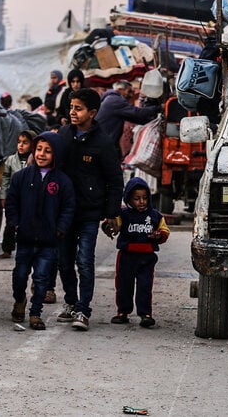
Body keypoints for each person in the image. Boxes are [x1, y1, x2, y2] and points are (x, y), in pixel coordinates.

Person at [55, 87, 124, 331]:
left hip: (88, 213)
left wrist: (112, 213)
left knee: (84, 261)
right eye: (71, 108)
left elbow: (115, 180)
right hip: (64, 213)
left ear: (92, 113)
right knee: (64, 261)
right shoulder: (63, 135)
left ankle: (83, 310)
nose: (73, 113)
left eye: (78, 109)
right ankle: (71, 303)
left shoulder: (104, 143)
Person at [4, 131, 75, 330]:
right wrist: (15, 224)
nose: (42, 154)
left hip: (48, 241)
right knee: (19, 275)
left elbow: (68, 207)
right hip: (25, 238)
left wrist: (60, 229)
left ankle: (36, 313)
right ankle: (19, 301)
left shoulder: (62, 181)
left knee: (42, 278)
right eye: (39, 150)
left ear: (56, 155)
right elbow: (11, 202)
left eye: (48, 151)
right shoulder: (21, 177)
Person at [106, 177, 169, 328]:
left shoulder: (155, 216)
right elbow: (112, 224)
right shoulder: (123, 214)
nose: (142, 202)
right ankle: (123, 312)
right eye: (137, 198)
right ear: (128, 199)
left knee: (145, 287)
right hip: (127, 256)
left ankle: (145, 314)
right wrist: (110, 228)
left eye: (145, 198)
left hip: (147, 258)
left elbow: (164, 231)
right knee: (123, 285)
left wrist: (159, 235)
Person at [0, 129, 37, 259]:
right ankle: (7, 249)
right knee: (10, 224)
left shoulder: (36, 160)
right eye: (19, 142)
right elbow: (5, 179)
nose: (21, 145)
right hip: (14, 197)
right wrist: (3, 196)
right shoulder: (10, 160)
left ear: (32, 145)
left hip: (30, 197)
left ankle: (27, 248)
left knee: (28, 224)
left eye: (25, 142)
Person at [96, 80, 162, 153]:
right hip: (104, 142)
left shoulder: (110, 98)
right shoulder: (115, 100)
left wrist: (154, 121)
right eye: (129, 91)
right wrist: (159, 108)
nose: (131, 95)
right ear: (120, 90)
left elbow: (133, 117)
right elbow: (137, 113)